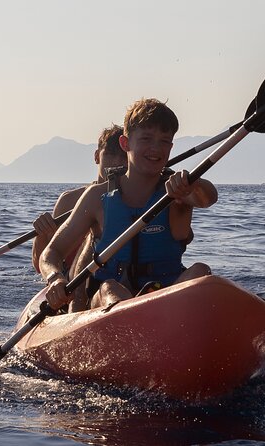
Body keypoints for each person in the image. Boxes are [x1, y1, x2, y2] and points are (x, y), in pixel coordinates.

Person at [40, 98, 217, 312]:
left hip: (168, 297)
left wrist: (193, 185)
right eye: (146, 139)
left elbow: (208, 198)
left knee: (200, 270)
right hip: (110, 303)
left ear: (171, 147)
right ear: (126, 144)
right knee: (110, 288)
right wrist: (55, 278)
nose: (155, 148)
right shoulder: (97, 197)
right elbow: (52, 252)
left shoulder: (179, 192)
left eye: (164, 141)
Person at [31, 125, 127, 312]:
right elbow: (40, 262)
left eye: (123, 156)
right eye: (110, 155)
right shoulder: (70, 201)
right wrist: (42, 234)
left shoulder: (135, 198)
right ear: (97, 156)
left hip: (115, 277)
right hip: (70, 285)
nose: (116, 163)